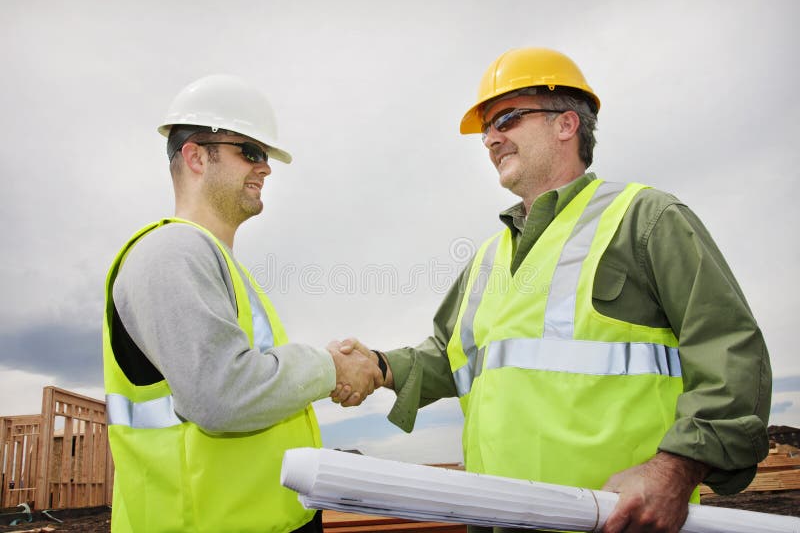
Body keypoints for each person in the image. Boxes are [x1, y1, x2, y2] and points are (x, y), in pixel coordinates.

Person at [335, 48, 772, 533]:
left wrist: (674, 468)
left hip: (611, 519)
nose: (490, 139)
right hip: (498, 518)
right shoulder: (488, 257)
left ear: (566, 125)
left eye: (507, 119)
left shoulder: (645, 220)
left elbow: (729, 350)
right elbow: (449, 354)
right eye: (486, 130)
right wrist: (377, 365)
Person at [102, 74, 382, 533]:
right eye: (249, 152)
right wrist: (330, 367)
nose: (265, 168)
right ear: (195, 156)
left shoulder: (218, 265)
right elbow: (221, 396)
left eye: (265, 155)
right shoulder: (171, 252)